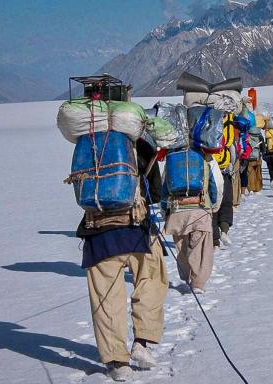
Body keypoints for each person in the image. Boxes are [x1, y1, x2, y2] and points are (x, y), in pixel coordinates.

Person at [77, 138, 168, 381]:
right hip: (137, 232)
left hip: (98, 234)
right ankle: (142, 341)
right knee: (152, 281)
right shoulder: (142, 146)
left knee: (106, 298)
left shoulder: (87, 145)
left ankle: (117, 361)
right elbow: (156, 192)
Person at [162, 151, 221, 294]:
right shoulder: (205, 158)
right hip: (200, 209)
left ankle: (187, 277)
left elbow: (164, 188)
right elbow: (217, 184)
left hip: (177, 211)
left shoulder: (172, 159)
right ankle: (198, 283)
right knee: (201, 249)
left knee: (182, 248)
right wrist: (214, 204)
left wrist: (165, 211)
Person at [212, 113, 237, 247]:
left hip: (208, 169)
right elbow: (232, 149)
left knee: (212, 203)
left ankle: (214, 240)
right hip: (224, 169)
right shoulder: (228, 122)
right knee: (226, 202)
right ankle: (225, 230)